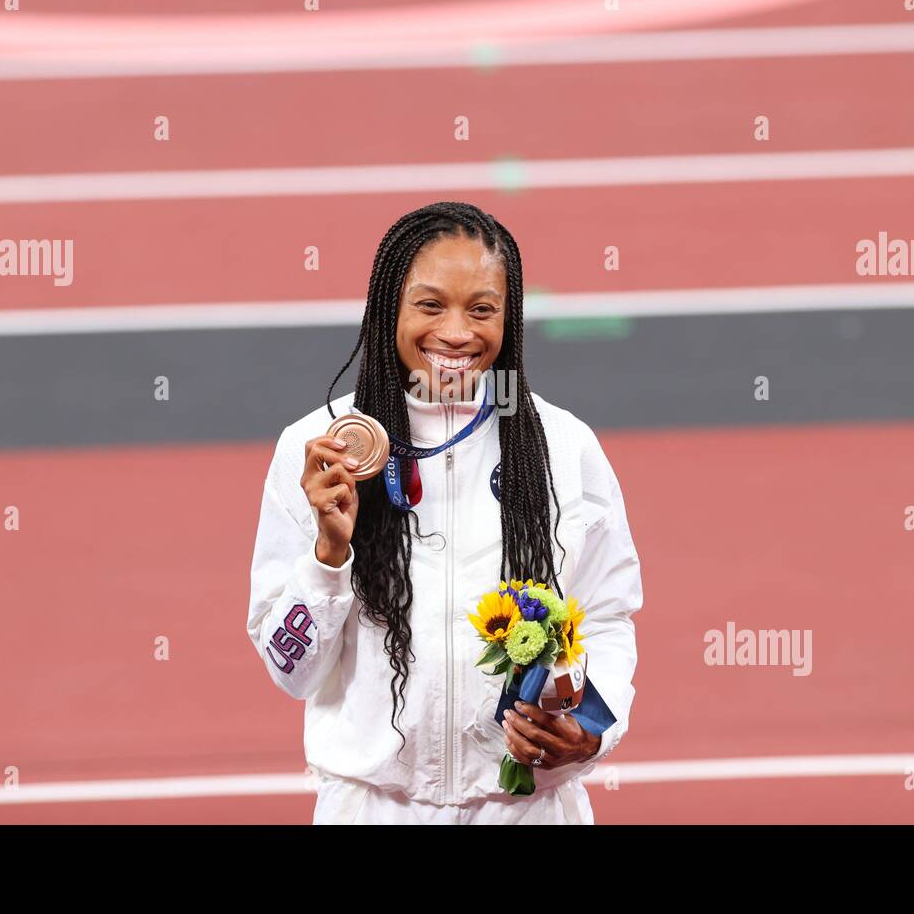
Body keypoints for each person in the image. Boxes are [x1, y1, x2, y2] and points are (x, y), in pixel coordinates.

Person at [247, 201, 644, 824]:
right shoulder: (321, 451)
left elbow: (609, 619)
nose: (456, 332)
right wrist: (329, 557)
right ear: (389, 311)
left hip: (523, 809)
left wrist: (593, 730)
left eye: (481, 309)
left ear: (508, 318)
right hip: (373, 809)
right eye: (430, 305)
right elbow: (289, 670)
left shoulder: (565, 449)